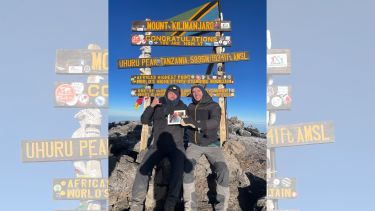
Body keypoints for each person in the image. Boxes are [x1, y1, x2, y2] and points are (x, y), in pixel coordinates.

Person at [130, 85, 187, 211]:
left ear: (178, 95)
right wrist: (152, 106)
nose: (172, 95)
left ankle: (170, 205)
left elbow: (178, 120)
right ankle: (136, 204)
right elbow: (144, 120)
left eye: (175, 93)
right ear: (167, 93)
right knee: (142, 170)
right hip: (157, 146)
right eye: (170, 93)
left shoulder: (182, 106)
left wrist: (165, 112)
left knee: (178, 173)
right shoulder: (157, 104)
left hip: (176, 146)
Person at [181, 85, 230, 211]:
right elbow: (182, 118)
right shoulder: (190, 107)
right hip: (194, 144)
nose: (196, 93)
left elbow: (215, 122)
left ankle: (221, 207)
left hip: (212, 145)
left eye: (198, 91)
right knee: (186, 169)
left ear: (203, 92)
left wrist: (197, 124)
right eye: (193, 91)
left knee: (223, 169)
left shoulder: (213, 106)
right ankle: (190, 207)